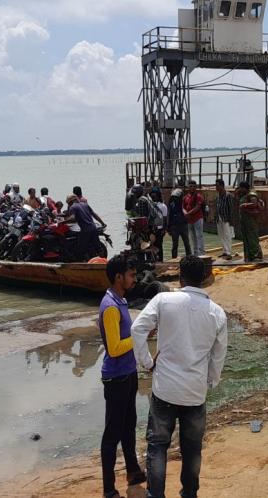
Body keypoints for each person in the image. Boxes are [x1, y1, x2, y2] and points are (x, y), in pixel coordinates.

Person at [131, 256, 228, 498]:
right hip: (195, 392)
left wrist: (146, 362)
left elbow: (137, 329)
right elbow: (218, 355)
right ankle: (189, 494)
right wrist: (210, 382)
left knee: (158, 446)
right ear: (206, 278)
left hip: (165, 388)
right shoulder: (216, 313)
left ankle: (156, 495)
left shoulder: (164, 300)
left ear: (180, 276)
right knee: (192, 449)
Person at [99, 255, 147, 498]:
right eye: (130, 275)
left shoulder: (121, 300)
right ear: (118, 277)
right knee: (112, 433)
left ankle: (133, 471)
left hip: (128, 373)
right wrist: (139, 336)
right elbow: (114, 348)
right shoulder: (110, 306)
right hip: (116, 377)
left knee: (128, 426)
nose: (134, 279)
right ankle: (108, 488)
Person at [65, 194, 99, 260]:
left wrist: (63, 222)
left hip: (85, 231)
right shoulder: (85, 204)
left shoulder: (73, 207)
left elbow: (72, 218)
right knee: (98, 248)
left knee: (80, 250)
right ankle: (103, 262)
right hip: (94, 228)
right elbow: (94, 214)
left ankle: (82, 263)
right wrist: (103, 223)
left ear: (70, 202)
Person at [236, 182, 263, 262]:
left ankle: (256, 255)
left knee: (252, 238)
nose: (240, 189)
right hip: (244, 221)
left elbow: (254, 204)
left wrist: (244, 205)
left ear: (245, 188)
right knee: (246, 238)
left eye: (241, 188)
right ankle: (249, 256)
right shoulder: (243, 195)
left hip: (250, 220)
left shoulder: (251, 194)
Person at [214, 179, 236, 260]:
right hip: (219, 218)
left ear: (222, 186)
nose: (216, 187)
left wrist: (231, 221)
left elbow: (231, 209)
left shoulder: (228, 195)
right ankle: (224, 251)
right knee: (221, 235)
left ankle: (229, 252)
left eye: (217, 185)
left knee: (227, 235)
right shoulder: (218, 196)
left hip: (226, 218)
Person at [182, 181, 205, 256]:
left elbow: (197, 207)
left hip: (197, 218)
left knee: (199, 236)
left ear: (196, 187)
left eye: (193, 186)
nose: (192, 187)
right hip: (189, 220)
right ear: (188, 187)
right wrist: (185, 213)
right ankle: (195, 253)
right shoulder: (186, 197)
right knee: (192, 237)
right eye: (190, 186)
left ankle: (201, 253)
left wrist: (188, 213)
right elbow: (183, 207)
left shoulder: (199, 196)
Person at [167, 188, 191, 259]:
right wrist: (168, 228)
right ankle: (174, 259)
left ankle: (189, 258)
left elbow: (187, 213)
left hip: (183, 225)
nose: (175, 199)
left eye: (176, 197)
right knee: (175, 245)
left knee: (187, 243)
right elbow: (169, 216)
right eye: (174, 197)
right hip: (174, 227)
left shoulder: (184, 203)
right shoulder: (171, 204)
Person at [150, 187, 168, 262]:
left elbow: (165, 219)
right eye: (152, 195)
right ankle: (153, 261)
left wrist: (164, 230)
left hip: (160, 229)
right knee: (151, 246)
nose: (153, 196)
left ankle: (160, 261)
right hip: (151, 229)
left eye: (155, 195)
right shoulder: (149, 204)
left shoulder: (163, 206)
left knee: (159, 246)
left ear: (158, 195)